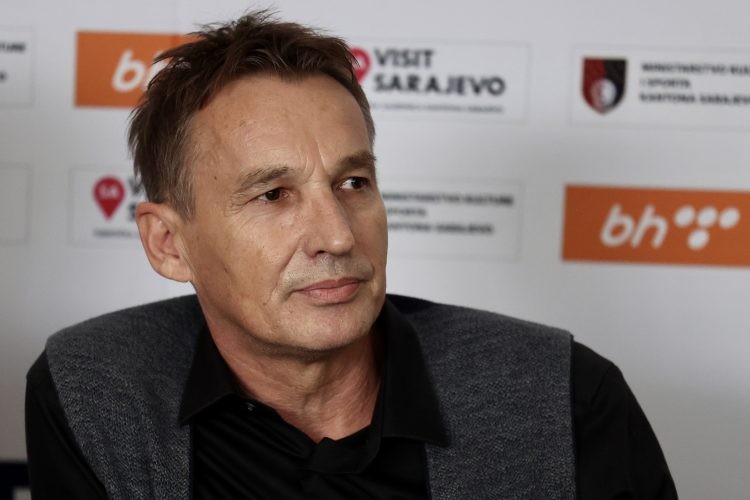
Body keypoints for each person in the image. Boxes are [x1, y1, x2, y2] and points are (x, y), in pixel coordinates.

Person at [25, 11, 677, 499]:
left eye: (353, 183)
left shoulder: (564, 397)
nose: (337, 236)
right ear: (169, 244)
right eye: (273, 195)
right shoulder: (93, 389)